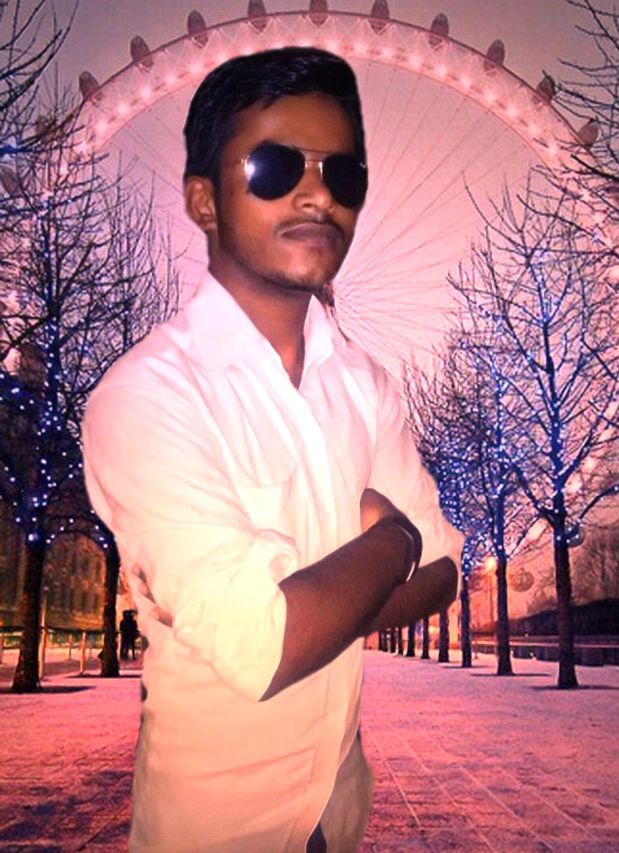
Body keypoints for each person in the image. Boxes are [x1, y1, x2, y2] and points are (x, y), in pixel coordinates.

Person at [82, 47, 463, 853]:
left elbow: (447, 573)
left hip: (339, 807)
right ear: (203, 199)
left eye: (344, 174)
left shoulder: (369, 385)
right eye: (274, 166)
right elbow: (263, 646)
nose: (318, 193)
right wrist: (392, 541)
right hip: (214, 830)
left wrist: (320, 605)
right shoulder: (145, 394)